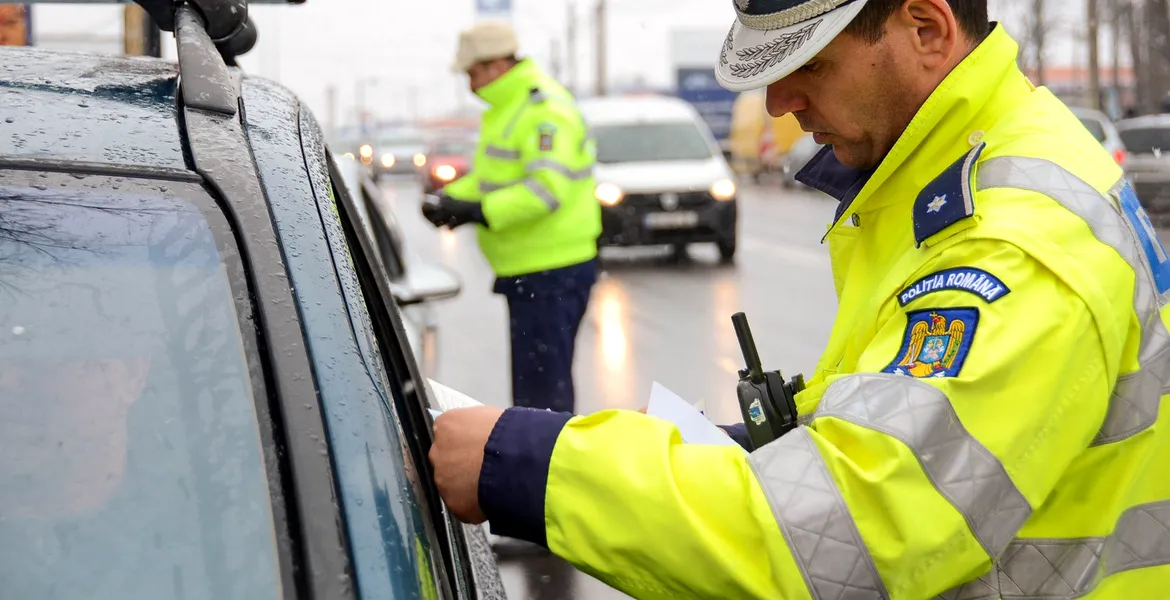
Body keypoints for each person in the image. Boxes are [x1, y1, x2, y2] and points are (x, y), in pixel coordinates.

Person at [429, 0, 1170, 598]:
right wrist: (739, 445)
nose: (779, 102)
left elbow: (848, 528)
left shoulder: (1012, 242)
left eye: (809, 63)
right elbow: (896, 427)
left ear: (926, 29)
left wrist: (525, 465)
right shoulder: (972, 164)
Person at [423, 20, 601, 415]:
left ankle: (548, 473)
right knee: (533, 395)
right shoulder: (510, 109)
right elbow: (490, 180)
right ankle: (542, 466)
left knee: (543, 402)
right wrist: (450, 198)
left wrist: (478, 212)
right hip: (532, 271)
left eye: (472, 73)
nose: (470, 84)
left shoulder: (543, 112)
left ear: (497, 65)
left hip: (553, 271)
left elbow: (545, 192)